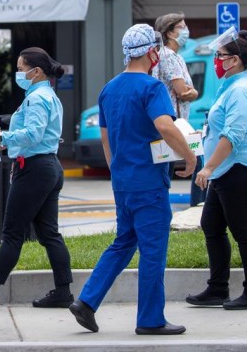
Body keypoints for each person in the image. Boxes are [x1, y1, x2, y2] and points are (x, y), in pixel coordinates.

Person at [70, 24, 196, 336]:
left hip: (124, 180)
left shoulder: (109, 89)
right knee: (153, 251)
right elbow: (166, 127)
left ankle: (86, 301)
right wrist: (190, 157)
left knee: (124, 241)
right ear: (152, 52)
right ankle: (151, 319)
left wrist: (117, 171)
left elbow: (105, 137)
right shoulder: (151, 88)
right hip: (149, 182)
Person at [0, 47, 74, 310]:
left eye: (21, 69)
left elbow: (33, 134)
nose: (18, 74)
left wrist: (1, 137)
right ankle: (63, 290)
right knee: (49, 233)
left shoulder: (36, 98)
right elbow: (37, 133)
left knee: (12, 234)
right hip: (48, 166)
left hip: (34, 170)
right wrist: (5, 139)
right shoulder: (47, 95)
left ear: (36, 71)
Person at [188, 30, 247, 310]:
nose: (216, 60)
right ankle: (217, 289)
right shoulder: (229, 85)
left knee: (244, 232)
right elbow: (220, 128)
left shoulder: (242, 91)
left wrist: (207, 168)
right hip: (225, 172)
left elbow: (232, 136)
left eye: (219, 56)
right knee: (211, 225)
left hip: (239, 170)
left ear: (234, 60)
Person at [154, 12, 203, 206]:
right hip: (173, 122)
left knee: (173, 164)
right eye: (181, 27)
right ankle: (198, 208)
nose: (186, 31)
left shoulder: (175, 56)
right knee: (195, 160)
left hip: (178, 121)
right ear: (169, 33)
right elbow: (182, 91)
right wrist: (194, 92)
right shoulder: (168, 57)